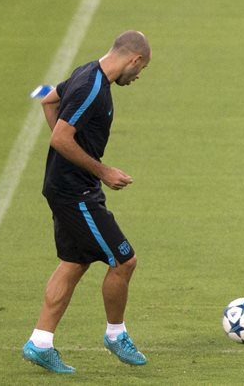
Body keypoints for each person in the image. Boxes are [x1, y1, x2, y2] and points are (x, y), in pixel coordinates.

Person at [22, 30, 152, 372]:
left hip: (71, 185)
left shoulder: (87, 72)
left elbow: (49, 101)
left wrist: (70, 156)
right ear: (134, 59)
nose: (137, 78)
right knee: (124, 260)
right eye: (140, 71)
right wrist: (102, 170)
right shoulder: (92, 88)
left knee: (74, 262)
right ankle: (115, 334)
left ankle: (40, 342)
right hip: (75, 192)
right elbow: (61, 136)